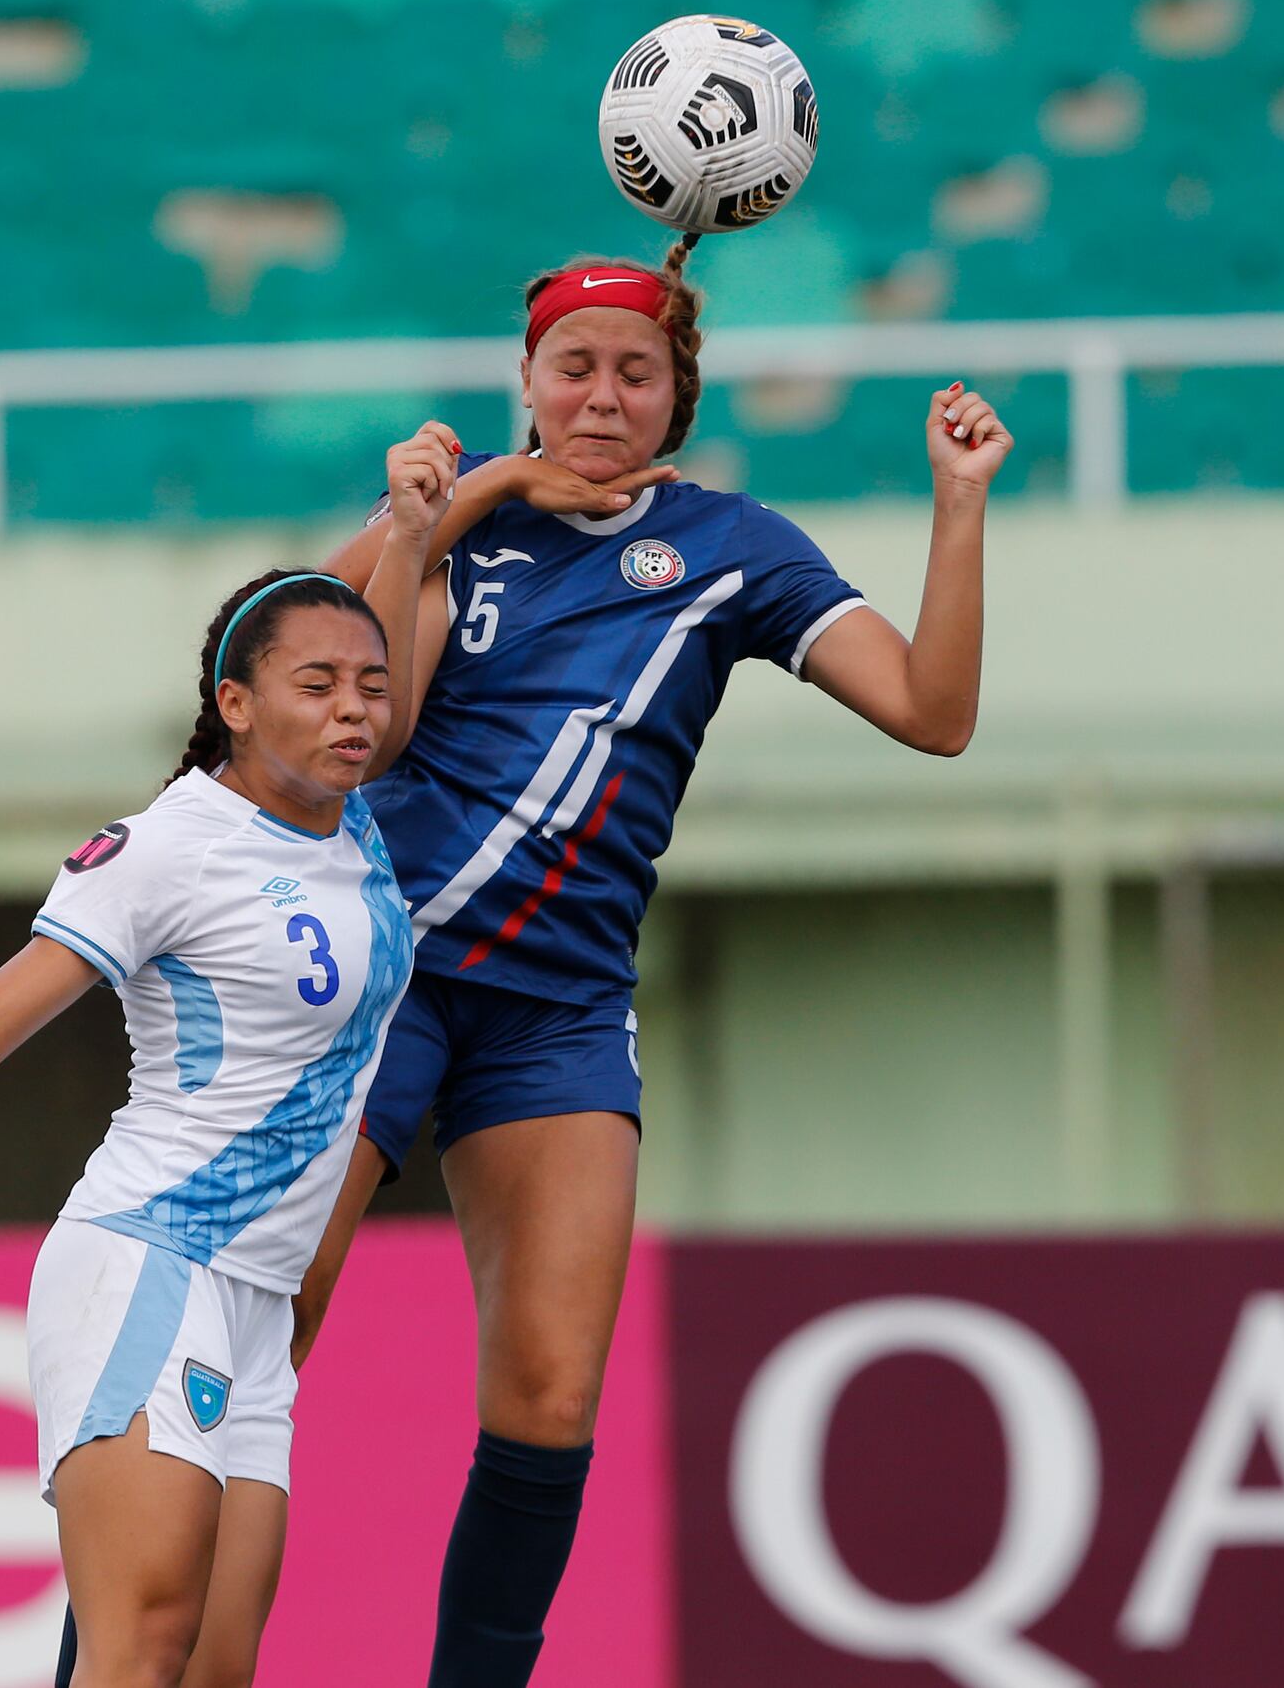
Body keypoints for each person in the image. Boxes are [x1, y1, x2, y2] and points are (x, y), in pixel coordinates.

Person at [289, 239, 1011, 1688]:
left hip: (558, 1009)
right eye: (575, 367)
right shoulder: (450, 508)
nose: (603, 395)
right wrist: (461, 499)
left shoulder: (739, 546)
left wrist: (957, 506)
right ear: (529, 383)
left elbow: (935, 713)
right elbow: (306, 676)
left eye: (636, 371)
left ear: (680, 393)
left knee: (552, 1391)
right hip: (386, 972)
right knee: (262, 1333)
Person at [0, 425, 455, 1688]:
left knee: (214, 1669)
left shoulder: (353, 828)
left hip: (256, 1311)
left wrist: (416, 523)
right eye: (314, 687)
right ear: (232, 705)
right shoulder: (173, 846)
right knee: (142, 1648)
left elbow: (365, 618)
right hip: (151, 1266)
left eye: (369, 689)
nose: (352, 709)